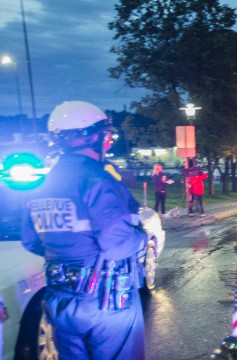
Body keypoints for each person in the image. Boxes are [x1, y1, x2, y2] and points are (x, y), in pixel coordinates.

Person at [21, 101, 147, 359]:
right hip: (106, 302)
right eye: (107, 135)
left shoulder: (43, 184)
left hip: (60, 301)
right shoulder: (97, 180)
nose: (109, 141)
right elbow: (118, 245)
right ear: (95, 137)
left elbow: (31, 240)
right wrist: (142, 236)